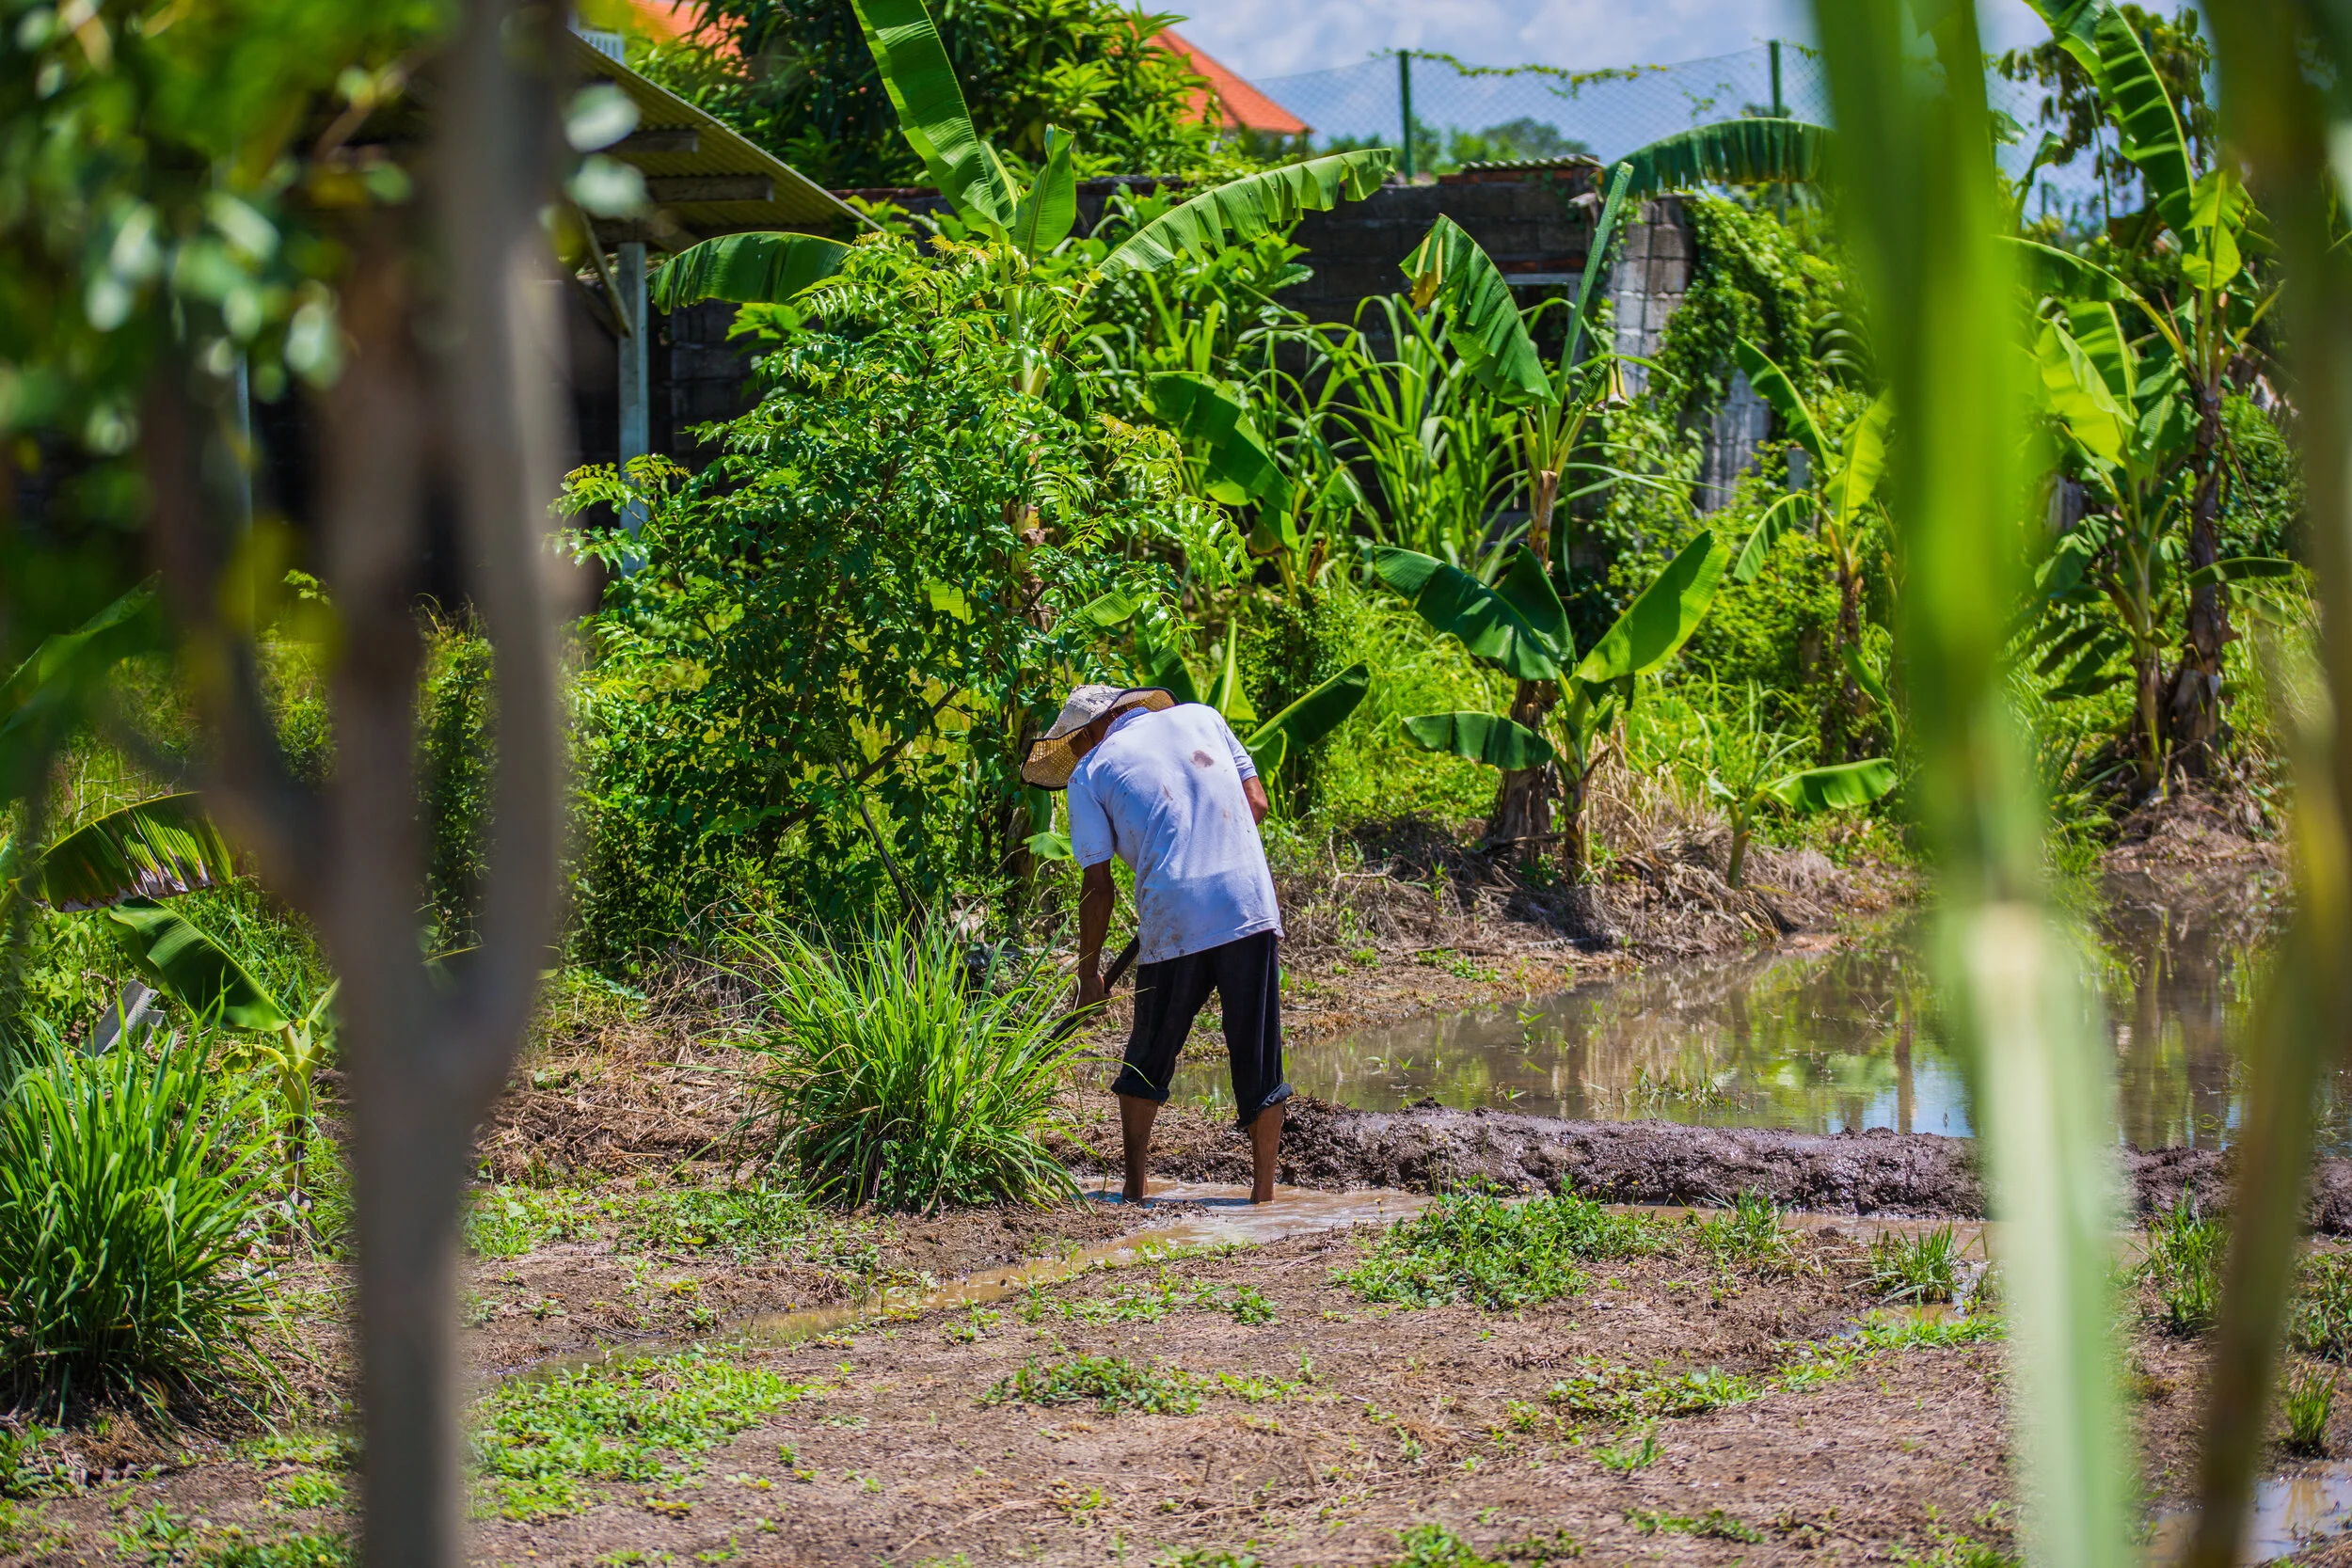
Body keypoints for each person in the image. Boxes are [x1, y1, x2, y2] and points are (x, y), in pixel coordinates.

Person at [1021, 684, 1290, 1204]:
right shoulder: (1204, 717)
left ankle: (1134, 1190)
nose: (1077, 752)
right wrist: (1207, 853)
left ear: (1092, 730)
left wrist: (1088, 976)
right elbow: (1255, 804)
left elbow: (1098, 886)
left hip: (1173, 915)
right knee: (1258, 1056)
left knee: (1149, 1054)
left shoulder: (1090, 773)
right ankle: (1263, 1197)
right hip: (1248, 903)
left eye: (1076, 742)